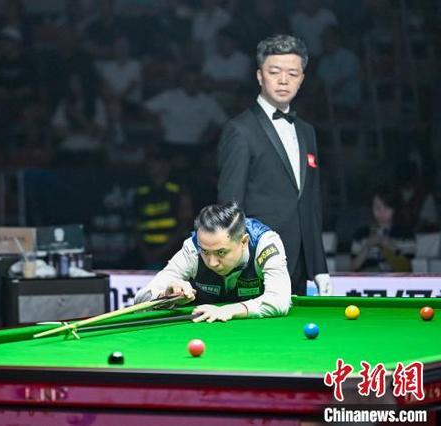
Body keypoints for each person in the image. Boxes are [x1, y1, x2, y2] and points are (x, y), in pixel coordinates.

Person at [217, 34, 331, 296]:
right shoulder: (240, 130)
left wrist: (319, 268)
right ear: (260, 76)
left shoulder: (307, 131)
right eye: (274, 72)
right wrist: (241, 266)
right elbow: (230, 207)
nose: (283, 80)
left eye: (292, 73)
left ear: (302, 78)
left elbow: (310, 203)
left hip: (300, 263)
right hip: (258, 263)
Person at [134, 202, 291, 322]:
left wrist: (229, 310)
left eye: (221, 252)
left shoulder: (264, 244)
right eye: (205, 252)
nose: (212, 262)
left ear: (243, 242)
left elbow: (280, 300)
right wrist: (167, 296)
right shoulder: (193, 248)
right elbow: (141, 299)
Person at [350, 187, 416, 272]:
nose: (382, 212)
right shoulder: (361, 234)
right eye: (377, 207)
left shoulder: (405, 234)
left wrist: (390, 246)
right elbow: (353, 267)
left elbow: (407, 268)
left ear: (394, 209)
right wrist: (367, 246)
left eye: (386, 207)